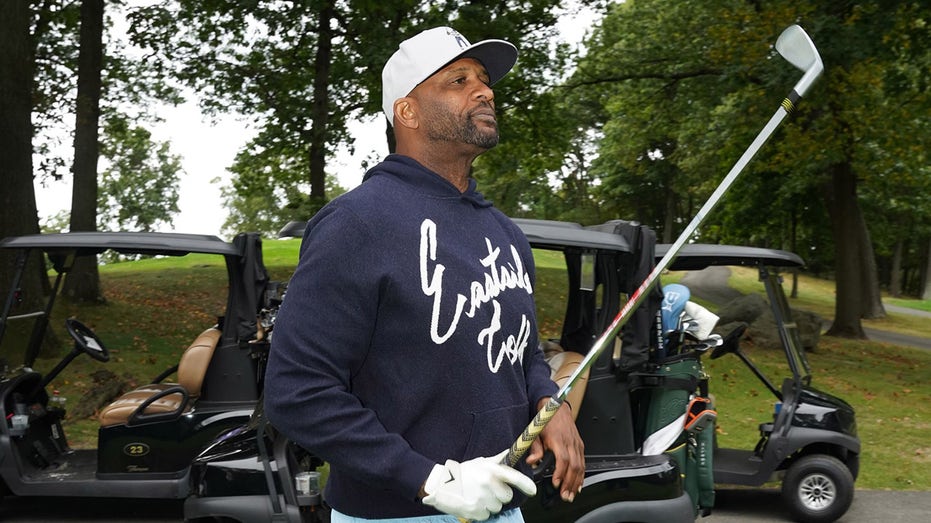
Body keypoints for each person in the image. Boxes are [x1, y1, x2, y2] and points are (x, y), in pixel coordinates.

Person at [264, 26, 585, 522]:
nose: (484, 90)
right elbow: (297, 391)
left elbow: (520, 352)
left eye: (483, 79)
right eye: (457, 81)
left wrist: (549, 400)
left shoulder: (505, 233)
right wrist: (431, 481)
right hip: (397, 513)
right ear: (406, 111)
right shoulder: (357, 224)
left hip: (505, 511)